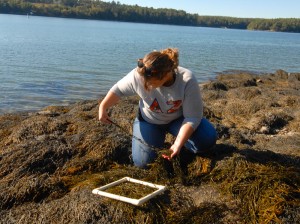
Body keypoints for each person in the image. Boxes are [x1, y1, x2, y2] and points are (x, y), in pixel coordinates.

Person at [99, 48, 217, 168]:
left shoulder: (187, 80)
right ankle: (156, 139)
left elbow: (192, 117)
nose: (146, 85)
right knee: (143, 163)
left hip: (178, 120)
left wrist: (177, 144)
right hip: (150, 121)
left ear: (166, 75)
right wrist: (103, 107)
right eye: (144, 81)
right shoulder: (140, 73)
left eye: (151, 83)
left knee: (206, 141)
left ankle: (179, 141)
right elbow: (118, 90)